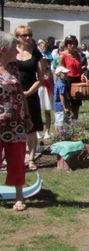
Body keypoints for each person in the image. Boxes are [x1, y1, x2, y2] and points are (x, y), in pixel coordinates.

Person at [0, 32, 34, 211]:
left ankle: (19, 197)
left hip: (16, 123)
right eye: (14, 47)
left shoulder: (13, 68)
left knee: (17, 160)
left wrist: (27, 116)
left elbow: (21, 93)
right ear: (3, 50)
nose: (17, 50)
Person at [14, 25, 45, 171]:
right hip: (13, 95)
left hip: (30, 95)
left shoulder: (36, 54)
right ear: (17, 37)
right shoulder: (11, 52)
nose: (27, 38)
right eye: (24, 35)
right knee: (13, 126)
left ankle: (31, 159)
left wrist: (28, 93)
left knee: (32, 127)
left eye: (29, 35)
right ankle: (13, 158)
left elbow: (40, 78)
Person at [57, 35, 87, 120]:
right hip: (67, 80)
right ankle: (68, 122)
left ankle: (76, 120)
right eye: (70, 44)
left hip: (77, 80)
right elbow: (59, 70)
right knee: (67, 104)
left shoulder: (77, 55)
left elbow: (79, 68)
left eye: (74, 43)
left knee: (76, 103)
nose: (72, 45)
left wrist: (82, 74)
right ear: (66, 45)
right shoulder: (63, 55)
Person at [53, 66, 72, 132]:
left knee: (57, 121)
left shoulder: (57, 83)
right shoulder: (62, 85)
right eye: (64, 74)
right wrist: (65, 107)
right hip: (61, 106)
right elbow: (62, 96)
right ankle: (61, 135)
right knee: (61, 122)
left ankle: (57, 135)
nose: (66, 75)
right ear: (59, 74)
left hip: (56, 105)